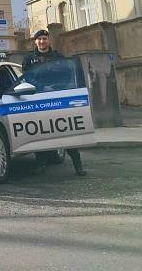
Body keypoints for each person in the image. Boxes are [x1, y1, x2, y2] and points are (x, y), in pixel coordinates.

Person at [23, 29, 86, 177]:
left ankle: (78, 165)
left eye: (45, 39)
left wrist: (57, 87)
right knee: (41, 131)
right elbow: (27, 77)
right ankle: (41, 163)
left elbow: (67, 75)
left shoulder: (58, 57)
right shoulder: (29, 59)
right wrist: (42, 87)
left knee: (65, 131)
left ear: (49, 41)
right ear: (35, 41)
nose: (42, 42)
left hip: (58, 98)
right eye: (39, 39)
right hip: (38, 98)